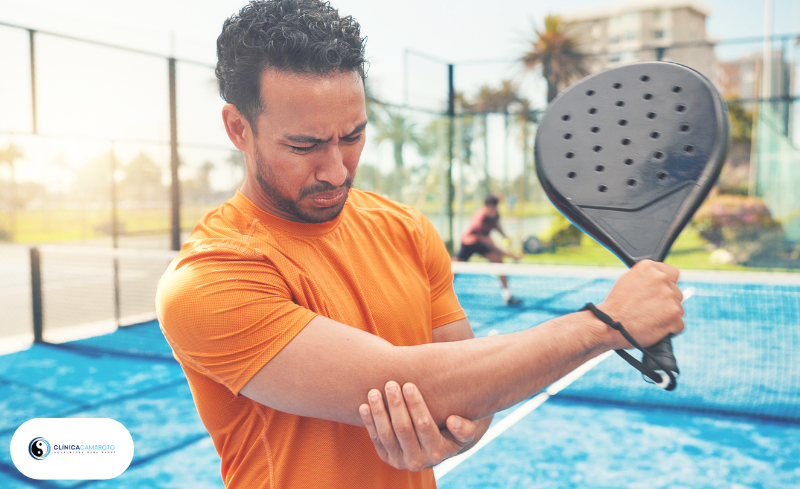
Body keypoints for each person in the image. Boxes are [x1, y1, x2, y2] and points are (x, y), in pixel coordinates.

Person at [155, 1, 685, 488]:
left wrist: (460, 429)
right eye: (304, 145)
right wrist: (607, 324)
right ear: (238, 128)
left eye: (353, 135)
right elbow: (413, 382)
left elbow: (466, 389)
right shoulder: (207, 280)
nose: (336, 170)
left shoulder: (406, 229)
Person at [454, 194, 523, 305]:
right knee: (454, 269)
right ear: (485, 207)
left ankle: (507, 295)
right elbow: (489, 243)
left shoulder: (495, 214)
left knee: (499, 264)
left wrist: (504, 236)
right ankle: (437, 293)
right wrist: (510, 255)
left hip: (481, 243)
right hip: (469, 243)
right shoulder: (480, 217)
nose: (492, 210)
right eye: (490, 208)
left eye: (494, 208)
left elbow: (496, 226)